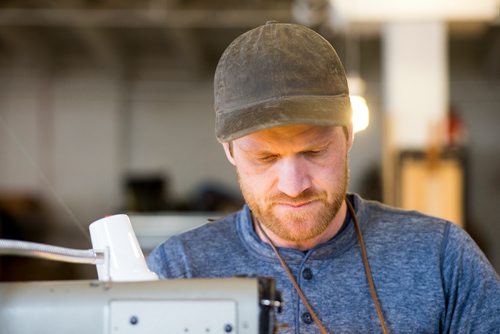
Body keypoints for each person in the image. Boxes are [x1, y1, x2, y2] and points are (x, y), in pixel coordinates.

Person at [147, 22, 500, 333]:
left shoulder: (440, 258)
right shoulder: (176, 271)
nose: (294, 185)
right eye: (265, 158)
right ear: (229, 151)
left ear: (348, 135)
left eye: (314, 152)